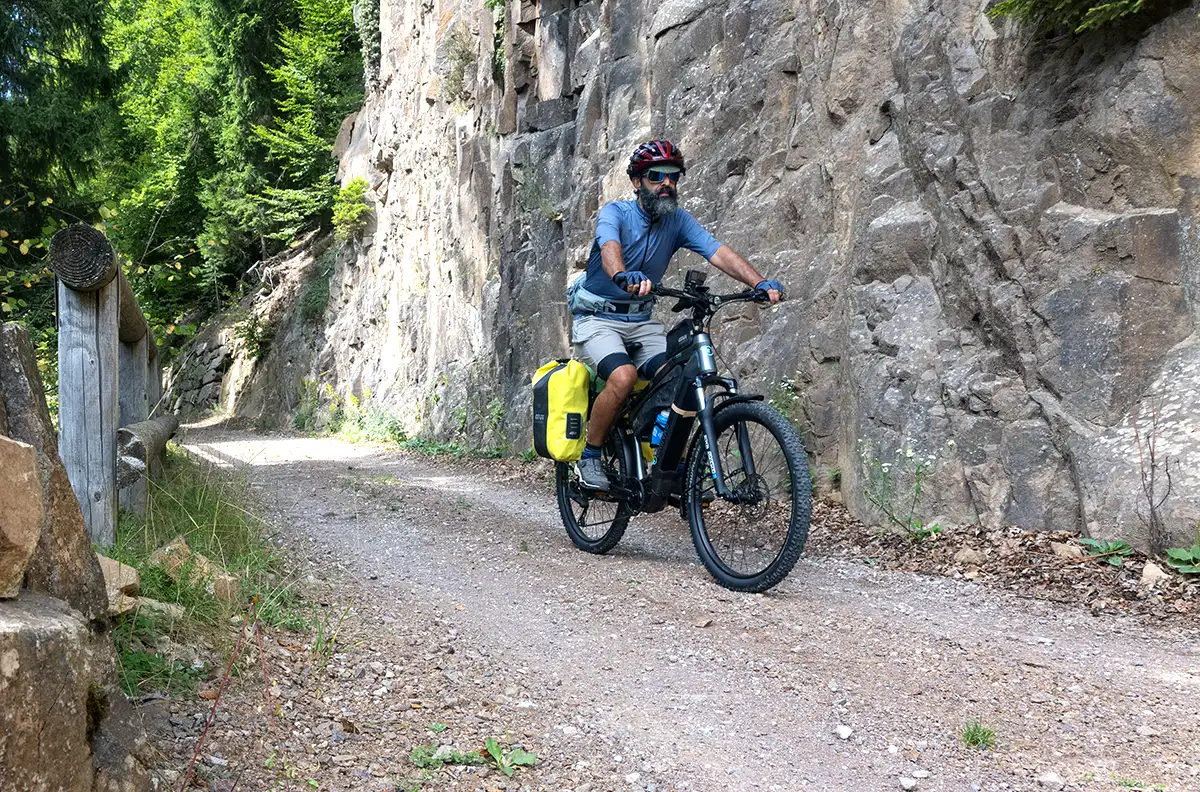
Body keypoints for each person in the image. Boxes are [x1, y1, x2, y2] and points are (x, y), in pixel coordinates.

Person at [568, 139, 784, 490]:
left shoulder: (678, 221)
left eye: (673, 177)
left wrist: (759, 282)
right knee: (622, 377)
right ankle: (590, 456)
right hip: (598, 319)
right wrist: (622, 275)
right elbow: (610, 250)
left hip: (640, 321)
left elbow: (717, 252)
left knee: (676, 374)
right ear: (638, 182)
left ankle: (661, 451)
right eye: (656, 176)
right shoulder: (615, 214)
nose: (666, 184)